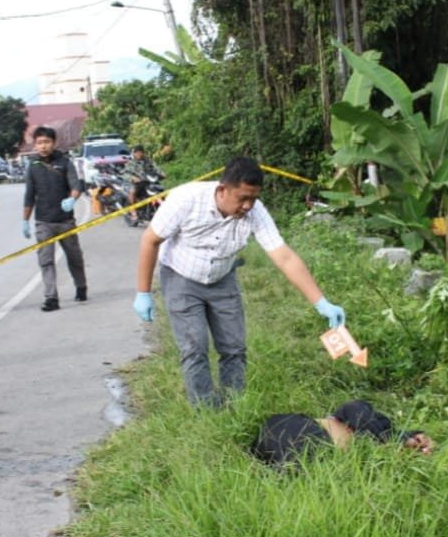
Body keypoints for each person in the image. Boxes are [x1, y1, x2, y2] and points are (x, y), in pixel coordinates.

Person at [134, 157, 346, 407]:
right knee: (194, 347)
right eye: (242, 198)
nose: (248, 205)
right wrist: (143, 292)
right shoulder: (185, 200)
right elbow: (150, 240)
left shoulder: (256, 212)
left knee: (234, 347)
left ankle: (235, 406)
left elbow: (284, 257)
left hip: (223, 278)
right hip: (181, 278)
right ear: (222, 190)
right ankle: (206, 413)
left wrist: (320, 302)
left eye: (253, 199)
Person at [252, 399, 433, 466]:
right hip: (292, 430)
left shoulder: (372, 455)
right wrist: (400, 440)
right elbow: (354, 409)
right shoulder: (357, 414)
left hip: (287, 441)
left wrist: (408, 440)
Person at [22, 126, 86, 312]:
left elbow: (76, 185)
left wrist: (72, 199)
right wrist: (25, 220)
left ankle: (81, 286)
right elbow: (29, 195)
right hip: (43, 222)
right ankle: (51, 297)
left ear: (54, 143)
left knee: (74, 257)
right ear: (35, 144)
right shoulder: (32, 166)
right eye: (40, 143)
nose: (43, 146)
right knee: (46, 261)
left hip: (65, 221)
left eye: (47, 142)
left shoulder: (64, 162)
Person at [123, 145, 164, 225]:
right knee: (132, 192)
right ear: (134, 154)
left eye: (140, 152)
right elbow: (125, 174)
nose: (139, 154)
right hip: (135, 183)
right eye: (137, 153)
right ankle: (133, 212)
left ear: (143, 153)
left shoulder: (148, 161)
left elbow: (156, 168)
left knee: (161, 190)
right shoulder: (131, 163)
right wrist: (133, 178)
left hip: (148, 182)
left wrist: (162, 174)